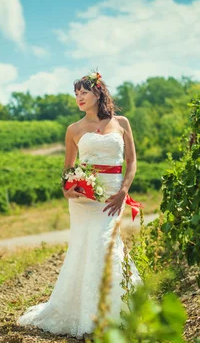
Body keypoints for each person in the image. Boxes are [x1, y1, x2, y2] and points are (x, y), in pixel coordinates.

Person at [17, 72, 143, 339]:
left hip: (112, 196)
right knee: (86, 247)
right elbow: (67, 171)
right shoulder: (73, 130)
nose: (79, 98)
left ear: (98, 93)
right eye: (76, 94)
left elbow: (131, 162)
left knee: (106, 244)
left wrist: (124, 190)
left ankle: (119, 310)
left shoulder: (121, 123)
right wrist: (69, 189)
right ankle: (88, 313)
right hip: (84, 202)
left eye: (83, 92)